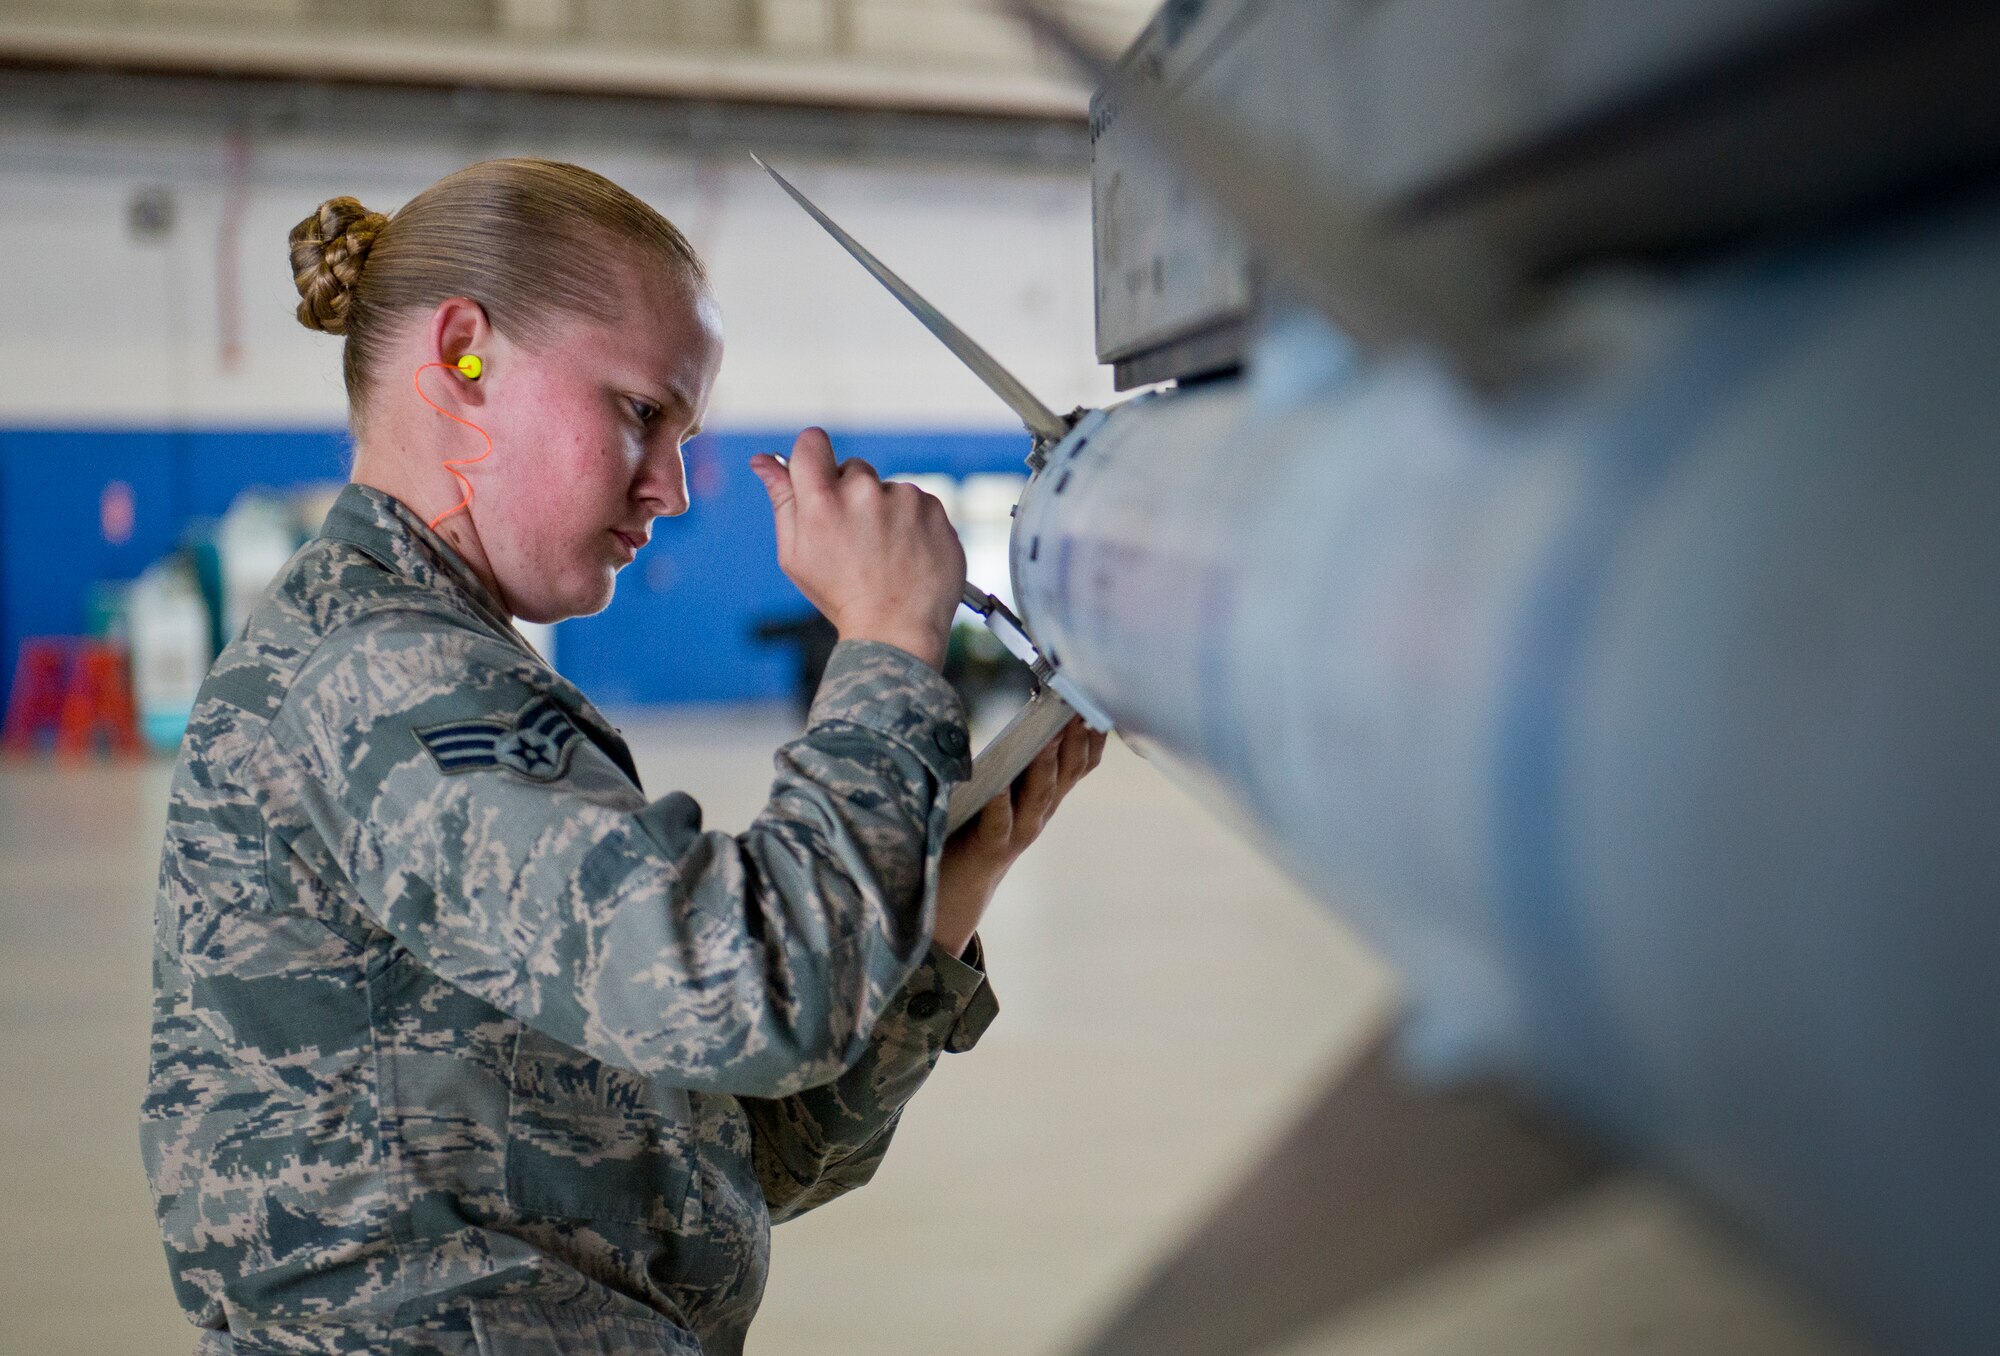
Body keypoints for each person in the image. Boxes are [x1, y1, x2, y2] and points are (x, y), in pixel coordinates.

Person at [141, 158, 1104, 1356]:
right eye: (641, 413)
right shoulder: (382, 681)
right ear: (461, 356)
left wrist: (935, 911)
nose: (672, 488)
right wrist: (885, 649)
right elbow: (745, 1001)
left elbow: (698, 1166)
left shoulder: (425, 670)